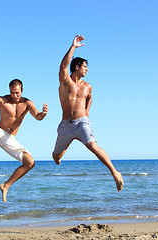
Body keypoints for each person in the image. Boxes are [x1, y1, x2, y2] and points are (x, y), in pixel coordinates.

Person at [52, 35, 124, 191]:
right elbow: (63, 67)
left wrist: (87, 111)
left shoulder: (88, 86)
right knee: (56, 158)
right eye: (85, 66)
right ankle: (65, 147)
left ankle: (115, 172)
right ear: (77, 67)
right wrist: (73, 47)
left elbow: (89, 98)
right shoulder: (65, 82)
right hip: (65, 125)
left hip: (81, 123)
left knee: (93, 145)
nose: (87, 69)